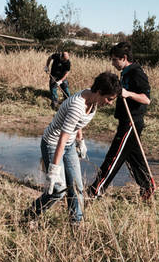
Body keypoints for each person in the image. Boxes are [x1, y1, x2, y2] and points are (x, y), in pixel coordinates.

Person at [23, 72, 121, 225]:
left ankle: (76, 223)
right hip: (53, 144)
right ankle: (29, 216)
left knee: (76, 187)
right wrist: (54, 169)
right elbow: (61, 138)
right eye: (109, 98)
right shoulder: (77, 105)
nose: (109, 103)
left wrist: (80, 140)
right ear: (100, 92)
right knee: (58, 190)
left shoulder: (93, 99)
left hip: (68, 144)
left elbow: (77, 123)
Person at [88, 42, 155, 200]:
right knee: (134, 158)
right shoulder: (125, 71)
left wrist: (128, 93)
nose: (112, 63)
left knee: (114, 156)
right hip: (125, 120)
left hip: (132, 121)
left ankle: (95, 190)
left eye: (114, 59)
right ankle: (147, 187)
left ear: (124, 58)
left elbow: (146, 100)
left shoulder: (137, 73)